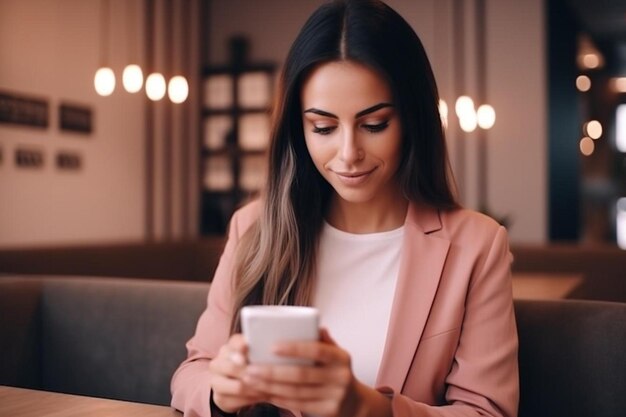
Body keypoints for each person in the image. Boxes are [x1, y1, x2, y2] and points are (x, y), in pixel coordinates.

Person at [171, 0, 519, 416]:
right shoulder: (253, 228)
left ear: (413, 119)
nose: (349, 153)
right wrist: (218, 391)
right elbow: (192, 372)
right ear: (298, 130)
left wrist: (369, 408)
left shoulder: (476, 245)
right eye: (323, 127)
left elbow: (486, 411)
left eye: (374, 125)